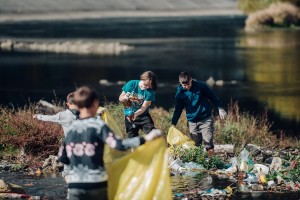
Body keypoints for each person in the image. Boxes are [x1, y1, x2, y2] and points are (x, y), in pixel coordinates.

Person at [58, 86, 162, 200]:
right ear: (95, 104)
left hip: (75, 187)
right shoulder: (99, 126)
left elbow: (63, 158)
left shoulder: (71, 128)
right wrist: (145, 138)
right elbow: (119, 145)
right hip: (96, 185)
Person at [171, 71, 227, 156]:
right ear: (180, 83)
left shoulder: (201, 86)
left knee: (209, 144)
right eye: (184, 85)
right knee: (196, 146)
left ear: (191, 79)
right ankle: (199, 164)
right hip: (192, 122)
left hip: (205, 119)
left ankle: (211, 163)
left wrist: (219, 108)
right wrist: (173, 123)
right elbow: (178, 109)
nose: (187, 87)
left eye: (188, 84)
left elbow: (213, 96)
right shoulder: (180, 94)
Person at [33, 92, 79, 179]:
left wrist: (38, 116)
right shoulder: (85, 114)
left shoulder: (63, 115)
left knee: (66, 173)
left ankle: (72, 190)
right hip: (84, 147)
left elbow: (50, 118)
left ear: (68, 104)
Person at [119, 71, 157, 138]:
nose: (147, 87)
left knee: (152, 134)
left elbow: (143, 107)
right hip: (129, 115)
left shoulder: (150, 92)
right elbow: (120, 98)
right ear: (142, 79)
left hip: (143, 115)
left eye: (150, 86)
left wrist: (135, 114)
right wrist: (125, 97)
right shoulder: (132, 84)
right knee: (132, 137)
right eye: (146, 85)